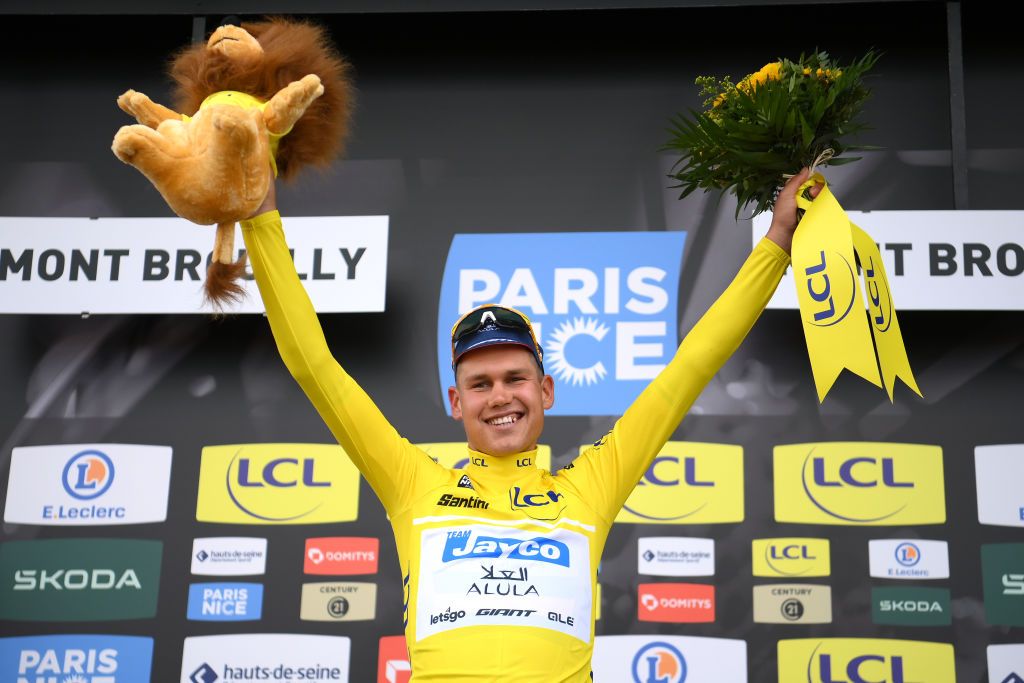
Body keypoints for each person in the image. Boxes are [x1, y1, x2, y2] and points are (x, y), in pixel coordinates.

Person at [240, 168, 819, 681]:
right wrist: (260, 216)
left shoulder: (590, 486)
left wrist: (777, 243)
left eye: (515, 378)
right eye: (480, 384)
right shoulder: (413, 484)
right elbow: (313, 366)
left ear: (545, 391)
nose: (499, 397)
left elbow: (692, 367)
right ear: (455, 402)